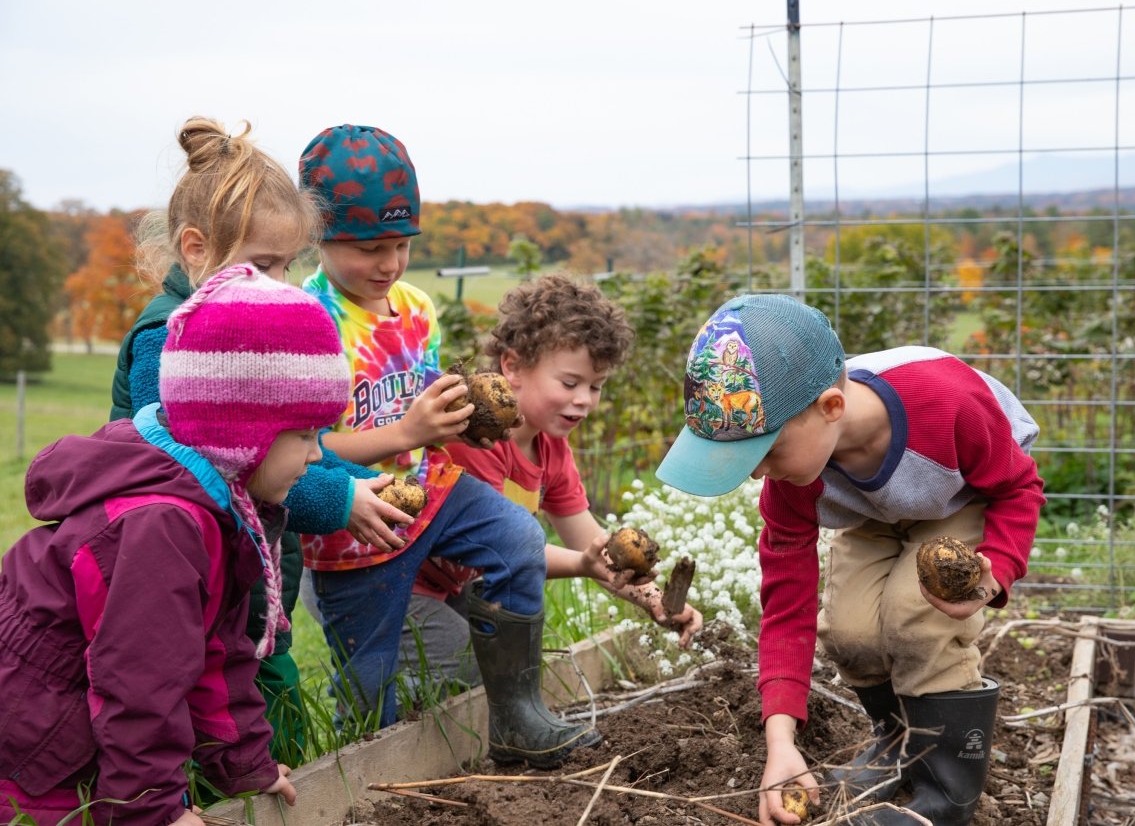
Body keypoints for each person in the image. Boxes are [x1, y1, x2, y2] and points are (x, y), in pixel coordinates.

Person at [655, 295, 1046, 826]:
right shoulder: (794, 480)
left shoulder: (948, 401)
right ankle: (898, 744)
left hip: (960, 496)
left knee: (917, 617)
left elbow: (1018, 486)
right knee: (850, 630)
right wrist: (780, 745)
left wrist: (994, 568)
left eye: (766, 453)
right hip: (876, 513)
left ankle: (946, 793)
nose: (755, 475)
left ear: (831, 408)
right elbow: (787, 606)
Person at [107, 117, 414, 763]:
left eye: (286, 264)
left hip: (248, 582)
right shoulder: (171, 339)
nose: (277, 281)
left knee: (274, 731)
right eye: (263, 263)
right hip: (189, 588)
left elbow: (288, 437)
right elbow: (212, 473)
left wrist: (352, 480)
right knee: (216, 735)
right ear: (195, 248)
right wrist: (339, 501)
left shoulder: (246, 323)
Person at [297, 124, 602, 768]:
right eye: (371, 247)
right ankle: (359, 780)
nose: (390, 264)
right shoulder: (308, 324)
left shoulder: (415, 307)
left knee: (517, 540)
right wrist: (407, 432)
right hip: (357, 523)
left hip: (434, 494)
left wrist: (468, 411)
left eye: (403, 245)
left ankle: (518, 715)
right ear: (316, 237)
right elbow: (308, 450)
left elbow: (429, 398)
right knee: (374, 686)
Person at [0, 265, 349, 826]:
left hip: (72, 731)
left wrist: (244, 764)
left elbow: (216, 652)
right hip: (32, 749)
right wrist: (151, 811)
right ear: (243, 432)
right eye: (306, 435)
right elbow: (139, 686)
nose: (315, 456)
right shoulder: (162, 526)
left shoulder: (218, 505)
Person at [404, 273, 703, 688]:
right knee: (466, 672)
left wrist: (656, 602)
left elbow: (589, 542)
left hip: (452, 586)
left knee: (491, 671)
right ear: (513, 366)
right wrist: (582, 565)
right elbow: (500, 550)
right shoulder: (477, 439)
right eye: (570, 382)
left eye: (596, 386)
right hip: (404, 583)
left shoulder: (551, 449)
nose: (584, 399)